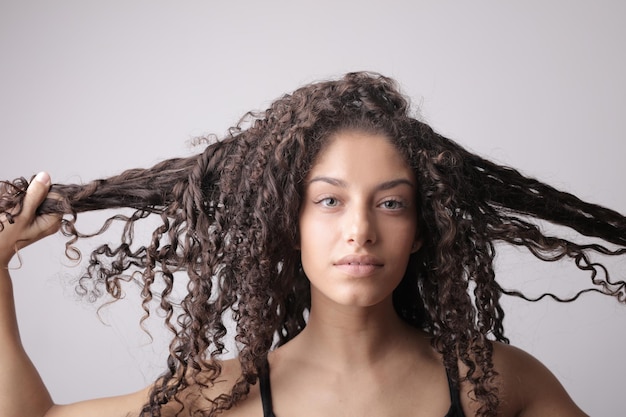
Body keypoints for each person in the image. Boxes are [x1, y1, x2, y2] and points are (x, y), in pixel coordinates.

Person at [1, 72, 624, 417]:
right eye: (328, 200)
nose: (360, 229)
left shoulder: (497, 383)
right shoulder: (218, 396)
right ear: (286, 222)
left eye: (391, 202)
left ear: (422, 227)